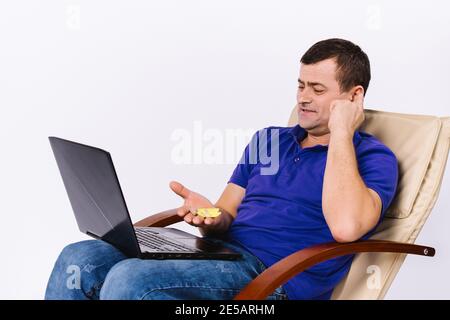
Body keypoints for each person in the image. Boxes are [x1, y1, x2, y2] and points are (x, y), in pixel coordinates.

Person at [45, 38, 398, 300]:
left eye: (318, 89)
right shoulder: (270, 139)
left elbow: (346, 227)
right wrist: (211, 216)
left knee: (130, 280)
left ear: (353, 97)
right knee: (79, 256)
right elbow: (227, 212)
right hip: (222, 257)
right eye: (301, 85)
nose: (303, 97)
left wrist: (341, 133)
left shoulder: (372, 158)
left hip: (272, 280)